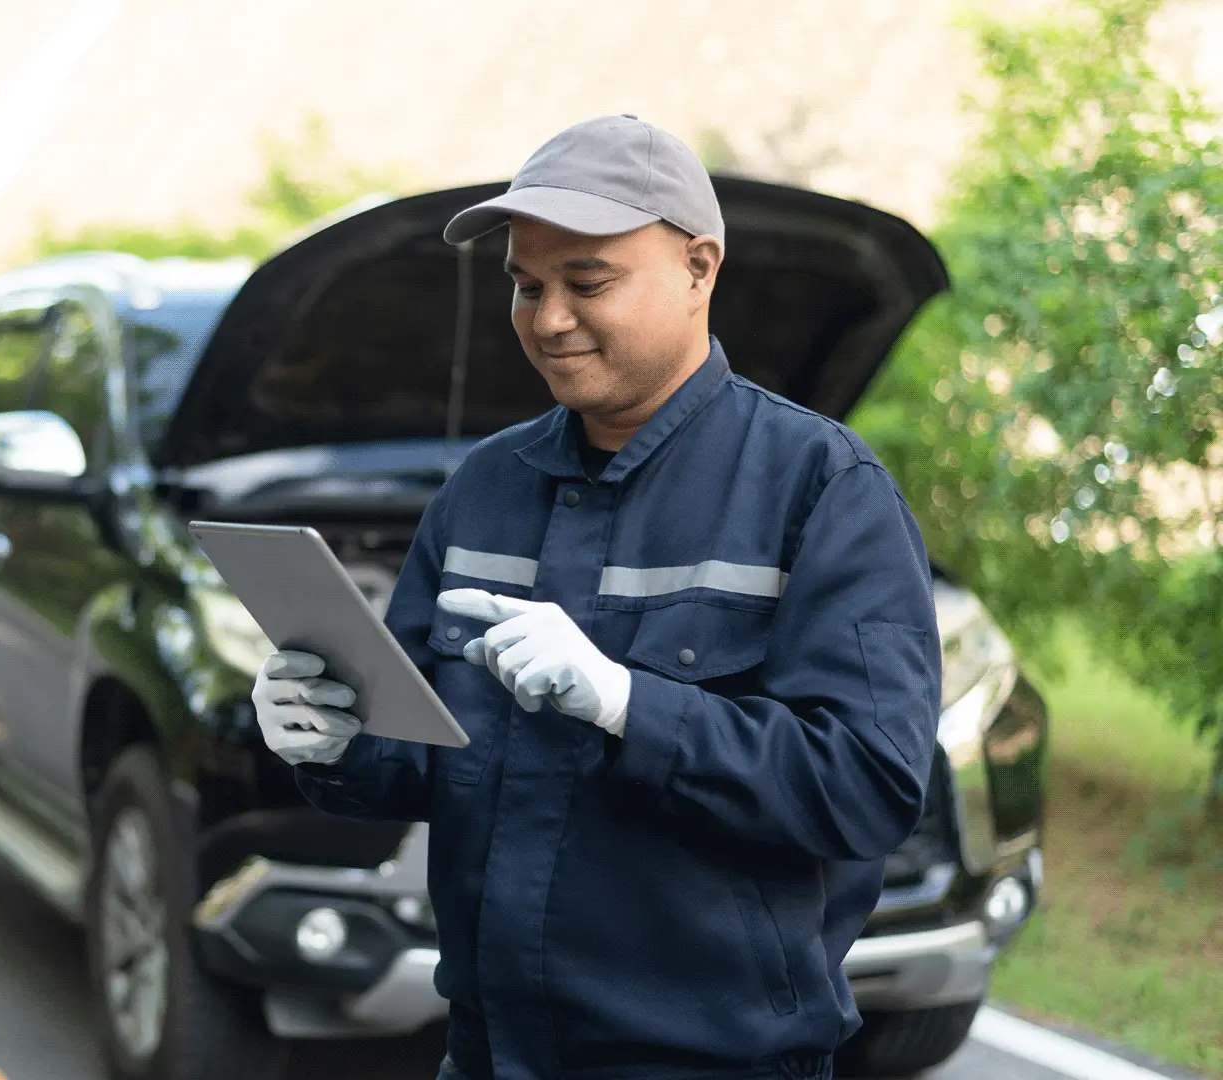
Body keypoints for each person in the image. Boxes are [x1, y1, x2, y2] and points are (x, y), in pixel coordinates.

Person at [250, 115, 942, 1080]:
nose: (548, 319)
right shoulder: (485, 489)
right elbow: (428, 758)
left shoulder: (819, 488)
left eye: (588, 282)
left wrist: (628, 704)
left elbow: (866, 788)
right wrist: (334, 740)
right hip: (490, 1055)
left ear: (699, 268)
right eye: (528, 286)